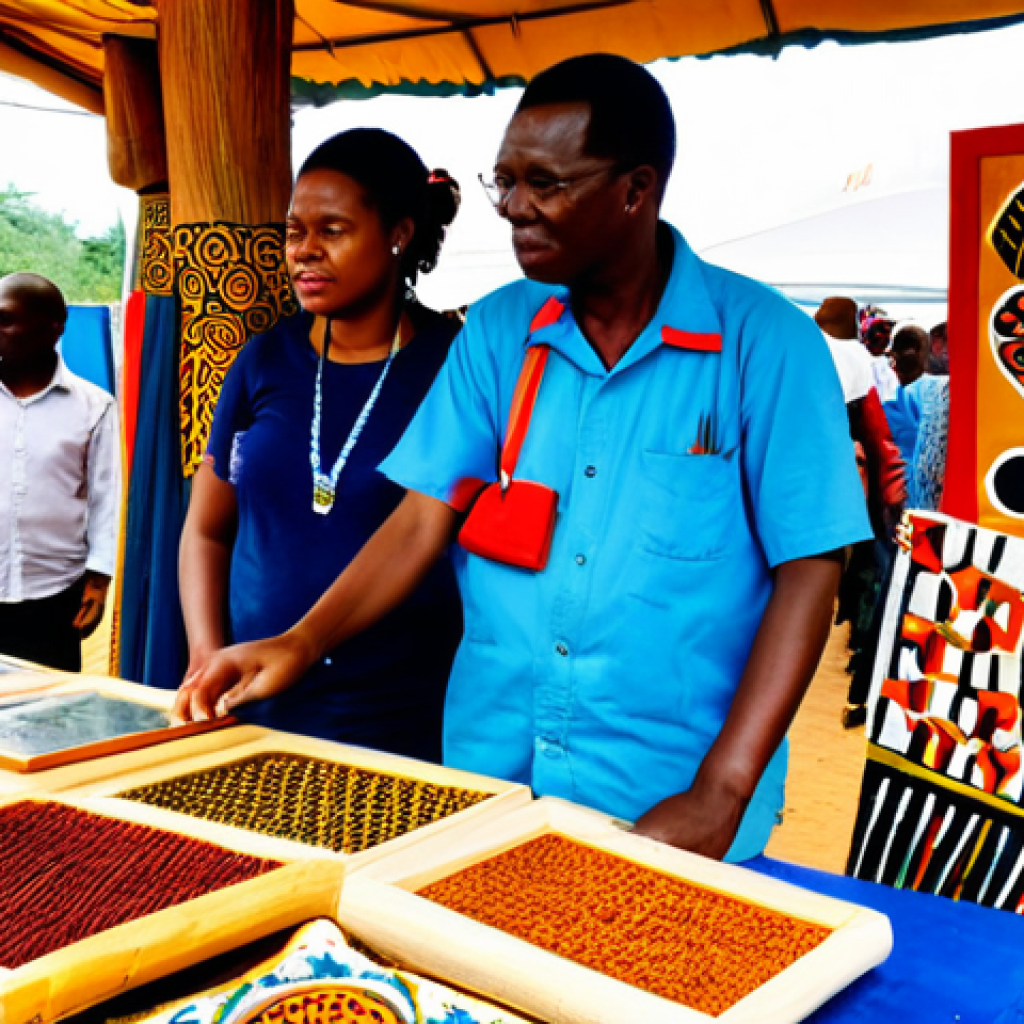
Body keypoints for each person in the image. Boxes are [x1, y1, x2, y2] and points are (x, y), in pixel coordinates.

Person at [178, 55, 871, 862]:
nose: (513, 207)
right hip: (493, 783)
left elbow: (812, 570)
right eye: (503, 180)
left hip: (670, 799)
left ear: (636, 189)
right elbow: (419, 523)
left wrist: (723, 787)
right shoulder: (500, 334)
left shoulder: (765, 344)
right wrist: (300, 641)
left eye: (545, 181)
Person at [176, 129, 463, 762]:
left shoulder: (454, 368)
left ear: (399, 233)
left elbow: (426, 529)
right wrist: (206, 656)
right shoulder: (261, 363)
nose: (305, 251)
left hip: (401, 718)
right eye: (294, 232)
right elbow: (207, 530)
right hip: (253, 706)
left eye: (332, 230)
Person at [0, 272, 118, 671]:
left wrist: (99, 581)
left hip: (55, 598)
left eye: (5, 319)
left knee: (48, 715)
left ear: (54, 326)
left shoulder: (93, 407)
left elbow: (106, 498)